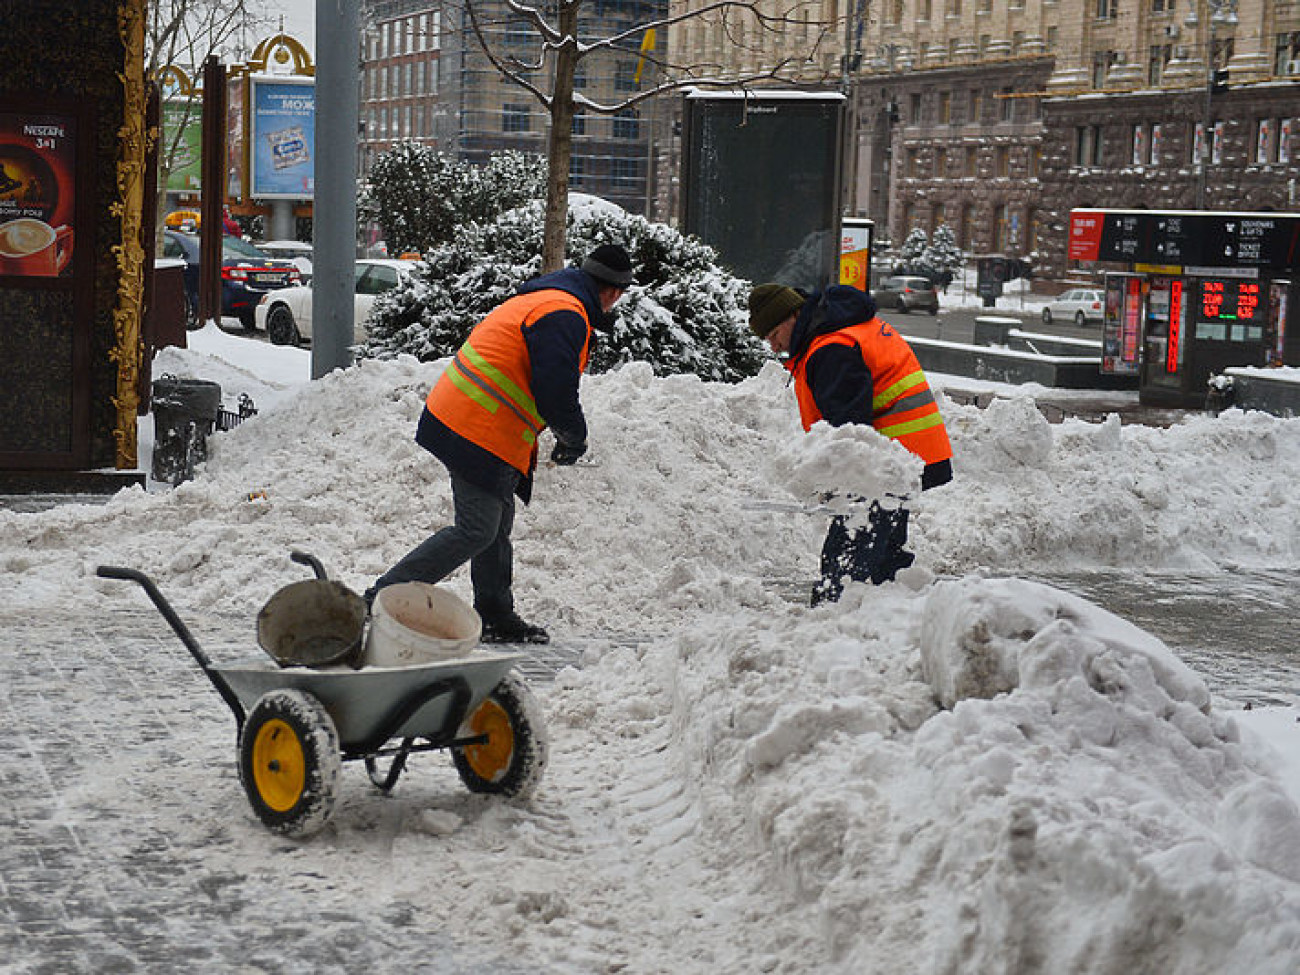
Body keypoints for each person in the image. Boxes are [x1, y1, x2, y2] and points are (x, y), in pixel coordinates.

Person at [365, 244, 635, 643]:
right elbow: (555, 389)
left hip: (476, 419)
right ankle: (378, 598)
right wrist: (574, 437)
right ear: (613, 292)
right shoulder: (565, 313)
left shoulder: (551, 299)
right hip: (474, 424)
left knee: (497, 521)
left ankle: (493, 612)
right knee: (477, 529)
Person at [748, 282, 953, 604]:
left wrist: (840, 480)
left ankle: (831, 619)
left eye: (774, 334)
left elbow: (851, 428)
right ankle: (893, 617)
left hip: (882, 464)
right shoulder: (844, 329)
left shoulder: (831, 348)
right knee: (883, 554)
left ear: (793, 316)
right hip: (908, 452)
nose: (775, 347)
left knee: (848, 558)